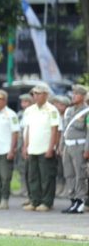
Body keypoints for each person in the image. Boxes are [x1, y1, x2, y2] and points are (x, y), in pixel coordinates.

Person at [22, 83, 60, 212]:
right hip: (32, 148)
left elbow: (55, 130)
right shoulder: (29, 110)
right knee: (33, 177)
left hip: (45, 148)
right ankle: (35, 201)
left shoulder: (52, 110)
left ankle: (47, 202)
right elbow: (28, 130)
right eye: (34, 94)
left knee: (47, 177)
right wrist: (25, 146)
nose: (35, 96)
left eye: (38, 94)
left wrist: (51, 148)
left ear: (46, 95)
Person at [61, 85, 89, 214]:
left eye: (77, 94)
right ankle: (72, 199)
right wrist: (61, 147)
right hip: (68, 145)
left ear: (83, 96)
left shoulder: (86, 111)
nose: (73, 96)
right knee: (69, 174)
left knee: (80, 175)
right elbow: (64, 131)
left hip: (79, 145)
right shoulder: (68, 111)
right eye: (73, 93)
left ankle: (80, 200)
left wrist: (87, 149)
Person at [14, 93, 33, 198]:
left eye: (26, 102)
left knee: (28, 168)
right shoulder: (20, 114)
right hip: (20, 141)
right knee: (21, 167)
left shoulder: (32, 113)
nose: (23, 104)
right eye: (22, 102)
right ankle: (23, 187)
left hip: (28, 142)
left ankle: (29, 189)